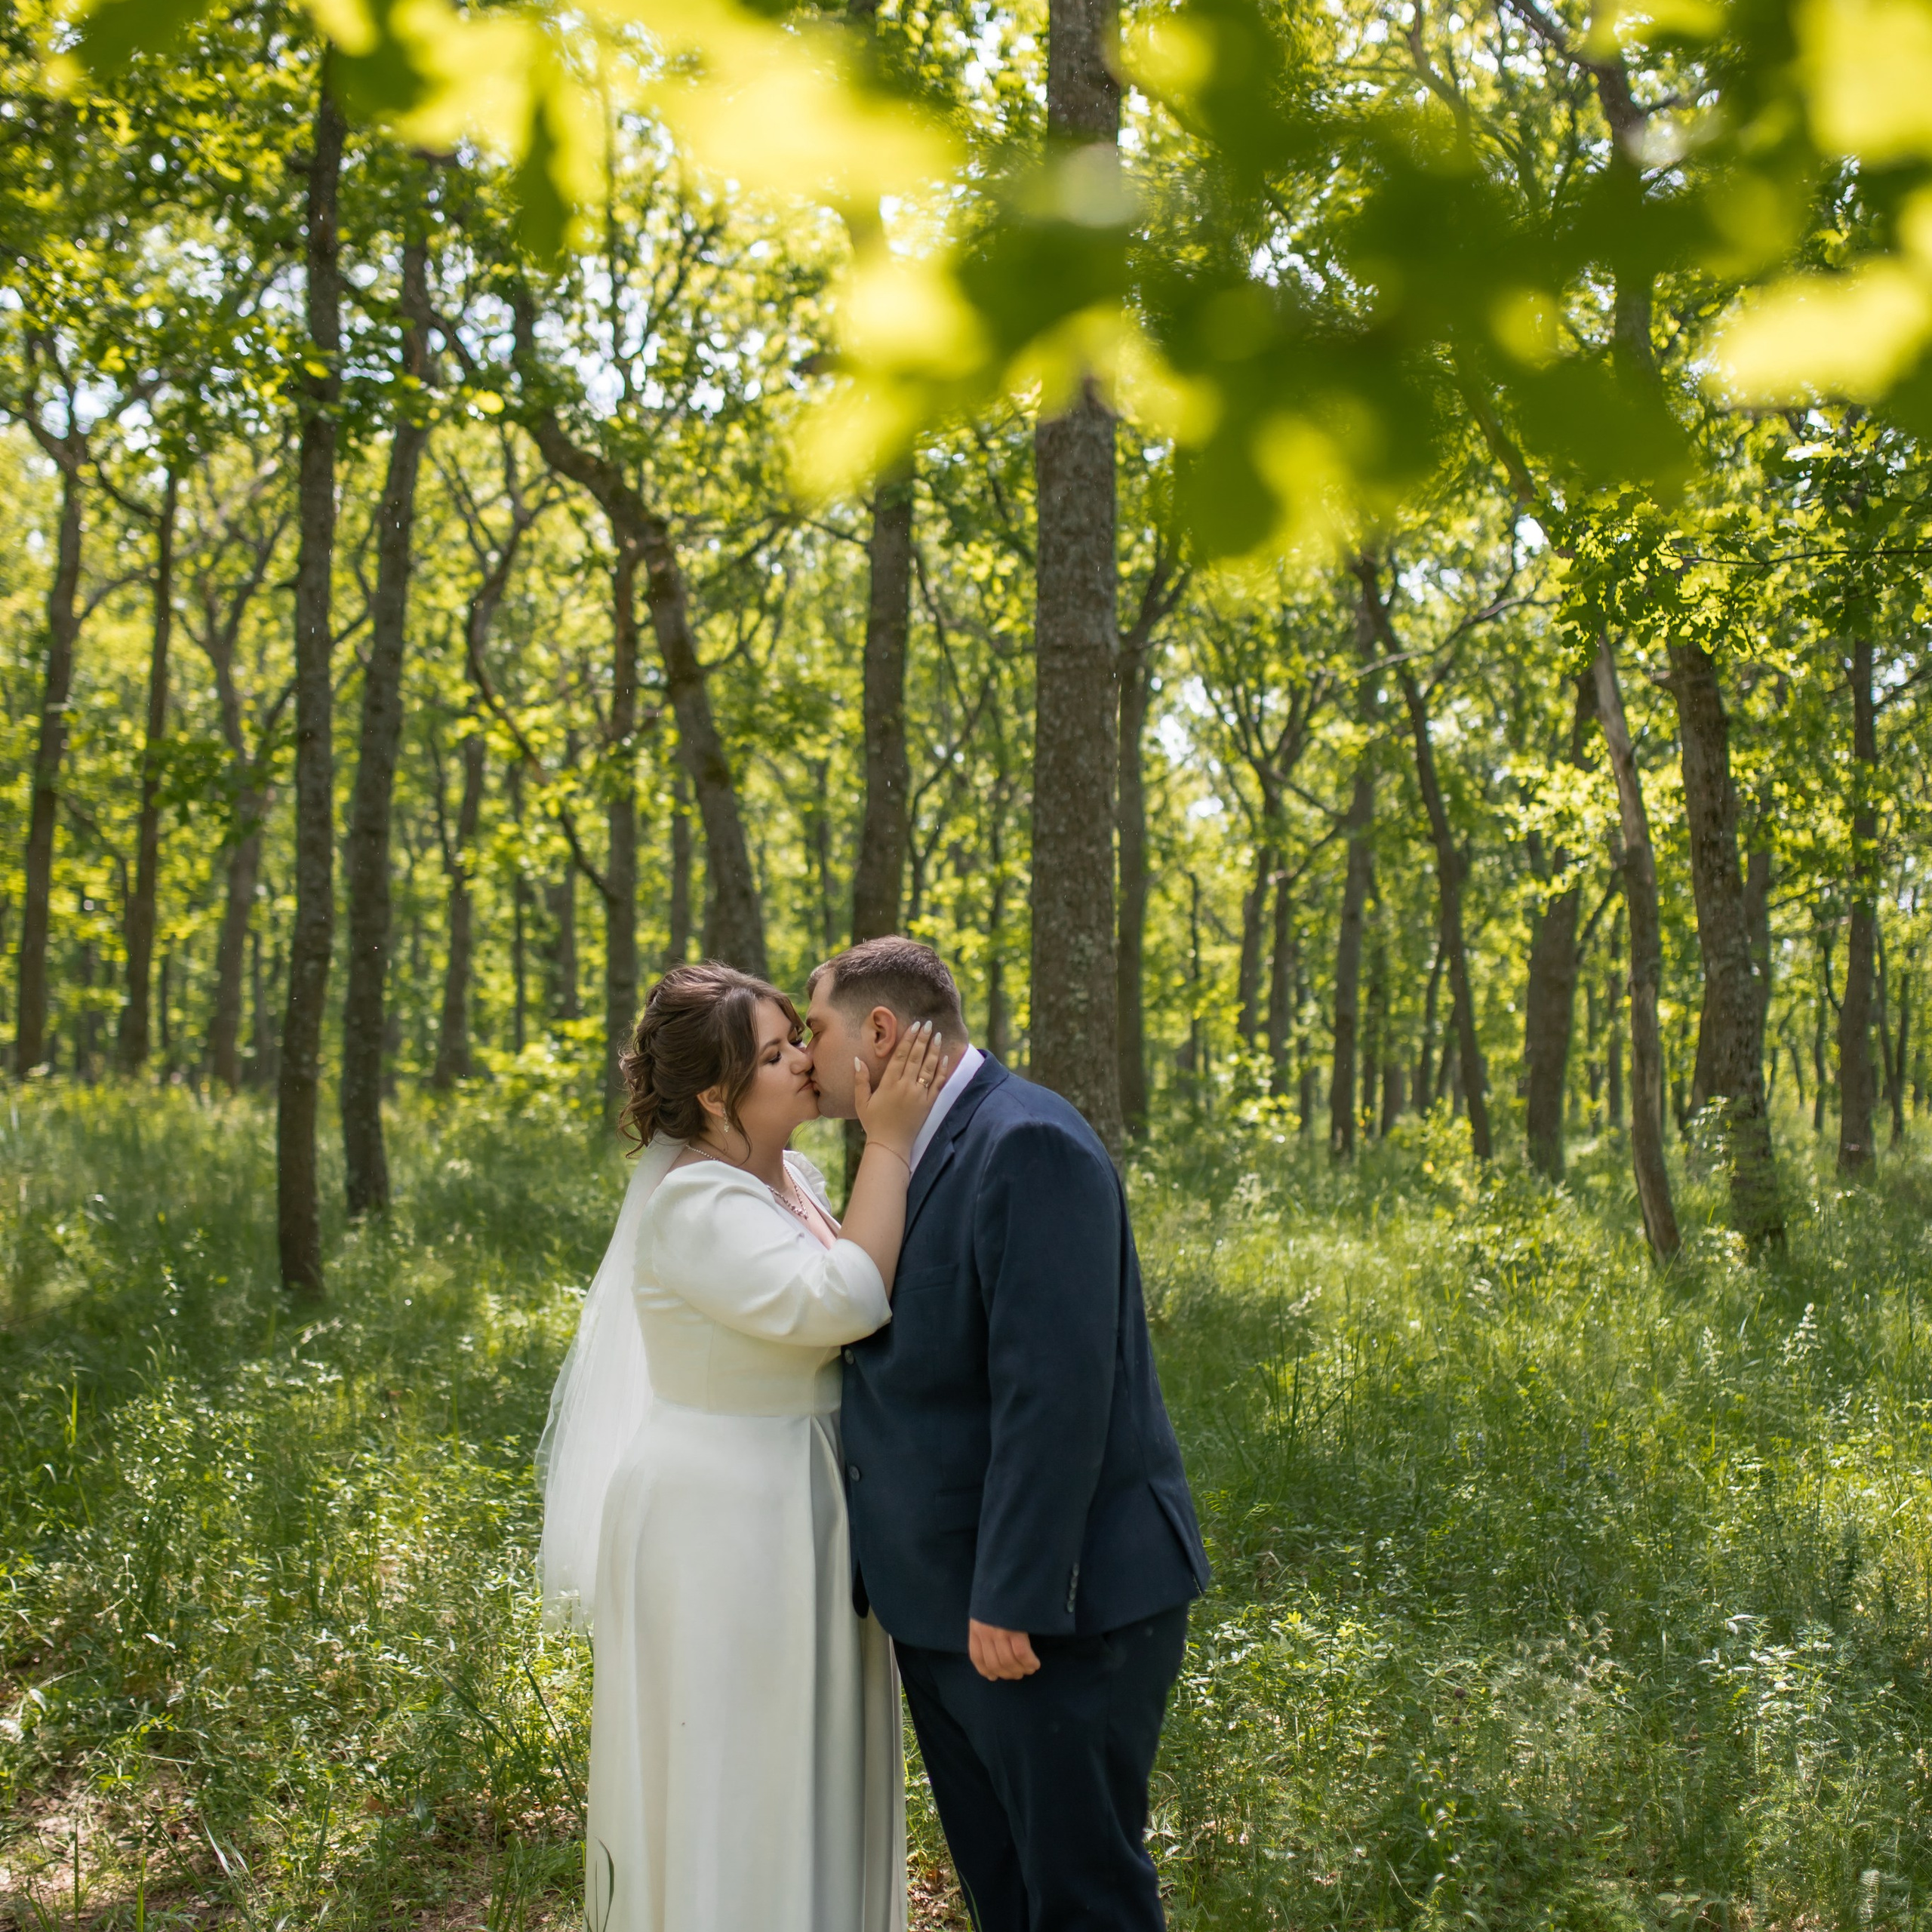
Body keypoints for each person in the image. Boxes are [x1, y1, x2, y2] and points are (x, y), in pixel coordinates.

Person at [805, 936, 1211, 1932]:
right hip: (946, 1614)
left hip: (1049, 1620)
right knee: (1009, 1899)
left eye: (815, 1030)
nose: (803, 1052)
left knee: (1082, 1903)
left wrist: (1012, 1593)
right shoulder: (909, 1155)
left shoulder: (1025, 1142)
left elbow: (1056, 1391)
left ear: (884, 1032)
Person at [536, 961, 951, 1932]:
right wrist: (887, 1142)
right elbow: (843, 1301)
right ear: (717, 1095)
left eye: (795, 1038)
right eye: (775, 1053)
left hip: (795, 1496)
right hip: (724, 1520)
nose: (807, 1059)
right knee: (740, 1763)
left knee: (804, 1751)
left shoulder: (784, 1178)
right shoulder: (697, 1205)